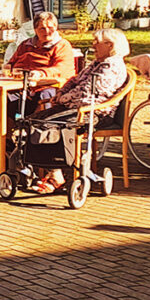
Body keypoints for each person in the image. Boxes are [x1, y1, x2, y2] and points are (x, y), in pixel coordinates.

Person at [30, 28, 130, 193]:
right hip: (74, 107)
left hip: (95, 113)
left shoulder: (112, 66)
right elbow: (74, 81)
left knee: (49, 125)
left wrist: (62, 98)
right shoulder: (96, 63)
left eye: (97, 42)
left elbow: (88, 92)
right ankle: (46, 169)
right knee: (34, 121)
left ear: (110, 45)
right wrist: (62, 92)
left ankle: (56, 175)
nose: (93, 45)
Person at [2, 11, 76, 116]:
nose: (47, 31)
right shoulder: (26, 45)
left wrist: (41, 73)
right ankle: (4, 130)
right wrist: (8, 68)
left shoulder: (62, 46)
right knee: (4, 97)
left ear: (56, 27)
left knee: (45, 94)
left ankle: (37, 129)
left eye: (50, 27)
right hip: (22, 85)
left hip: (47, 85)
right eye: (42, 28)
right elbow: (12, 63)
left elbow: (62, 68)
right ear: (35, 30)